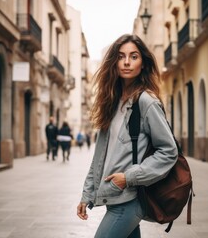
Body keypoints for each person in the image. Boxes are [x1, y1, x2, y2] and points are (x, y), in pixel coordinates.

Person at [76, 34, 178, 238]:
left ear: (143, 63)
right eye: (121, 56)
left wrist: (129, 177)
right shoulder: (111, 103)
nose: (126, 62)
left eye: (134, 56)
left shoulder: (146, 102)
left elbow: (169, 151)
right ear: (114, 62)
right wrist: (87, 194)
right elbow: (100, 157)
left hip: (130, 199)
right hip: (113, 197)